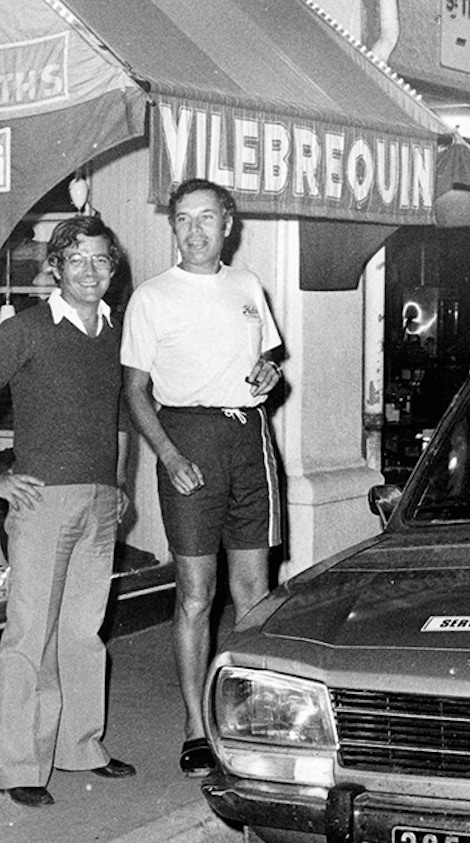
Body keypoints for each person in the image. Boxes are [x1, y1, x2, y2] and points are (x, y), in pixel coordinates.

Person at [121, 179, 283, 777]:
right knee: (195, 596)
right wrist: (167, 454)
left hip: (248, 439)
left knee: (255, 595)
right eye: (183, 219)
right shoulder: (152, 296)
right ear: (173, 229)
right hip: (186, 441)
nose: (195, 230)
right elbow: (135, 390)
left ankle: (256, 718)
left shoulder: (247, 287)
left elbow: (265, 363)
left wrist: (268, 374)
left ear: (228, 225)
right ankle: (195, 725)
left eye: (206, 218)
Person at [0, 216, 135, 808]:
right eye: (76, 260)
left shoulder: (117, 332)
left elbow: (126, 415)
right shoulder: (25, 329)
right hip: (41, 502)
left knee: (83, 631)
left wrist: (121, 483)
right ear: (55, 266)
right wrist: (0, 477)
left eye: (101, 260)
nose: (89, 271)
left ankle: (81, 746)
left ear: (113, 268)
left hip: (101, 500)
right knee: (30, 633)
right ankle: (19, 764)